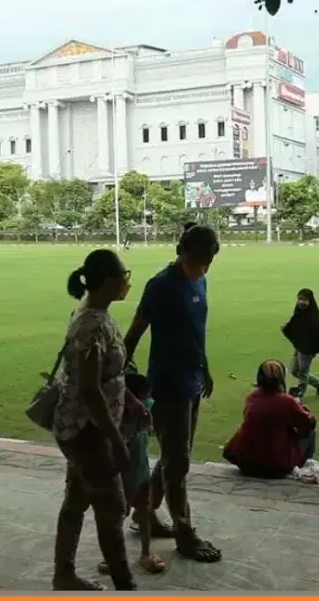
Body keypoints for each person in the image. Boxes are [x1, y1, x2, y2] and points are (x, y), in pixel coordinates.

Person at [124, 222, 222, 564]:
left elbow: (196, 331)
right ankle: (185, 534)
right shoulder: (161, 285)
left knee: (174, 457)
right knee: (177, 462)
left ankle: (144, 513)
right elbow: (135, 331)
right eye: (202, 258)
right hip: (167, 384)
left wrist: (205, 367)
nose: (205, 266)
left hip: (193, 380)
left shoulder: (201, 280)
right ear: (187, 253)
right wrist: (121, 375)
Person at [52, 249, 136, 592]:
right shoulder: (92, 323)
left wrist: (129, 401)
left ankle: (64, 575)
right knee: (112, 506)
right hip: (88, 432)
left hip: (81, 428)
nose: (128, 282)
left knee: (76, 500)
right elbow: (89, 389)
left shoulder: (95, 314)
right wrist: (115, 439)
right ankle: (125, 585)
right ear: (110, 281)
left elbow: (107, 377)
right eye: (124, 275)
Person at [96, 369, 165, 577]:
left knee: (145, 513)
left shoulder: (145, 412)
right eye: (145, 396)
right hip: (121, 477)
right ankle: (111, 557)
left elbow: (154, 409)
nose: (148, 401)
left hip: (141, 473)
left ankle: (145, 553)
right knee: (117, 516)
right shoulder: (118, 422)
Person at [223, 360, 318, 479]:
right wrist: (300, 406)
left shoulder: (252, 397)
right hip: (276, 467)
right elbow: (309, 423)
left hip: (246, 463)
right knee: (311, 433)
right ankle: (304, 468)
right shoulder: (287, 402)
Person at [281, 288, 319, 400]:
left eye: (304, 300)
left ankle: (300, 394)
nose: (301, 302)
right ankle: (318, 384)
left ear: (310, 301)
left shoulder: (313, 317)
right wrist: (286, 328)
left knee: (303, 372)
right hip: (300, 347)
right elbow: (294, 324)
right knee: (294, 371)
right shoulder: (299, 312)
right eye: (299, 299)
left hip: (309, 350)